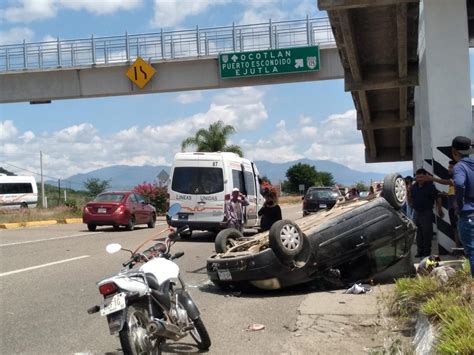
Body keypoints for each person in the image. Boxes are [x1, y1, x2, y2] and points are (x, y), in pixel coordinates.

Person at [451, 136, 474, 277]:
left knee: (472, 251)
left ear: (454, 151)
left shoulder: (460, 166)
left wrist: (459, 204)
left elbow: (459, 184)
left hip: (468, 215)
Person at [411, 168, 444, 258]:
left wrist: (439, 209)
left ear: (425, 177)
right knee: (418, 234)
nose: (419, 179)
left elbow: (438, 198)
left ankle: (426, 253)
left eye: (421, 177)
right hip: (417, 213)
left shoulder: (430, 186)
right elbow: (411, 198)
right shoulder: (413, 187)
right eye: (418, 177)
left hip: (427, 213)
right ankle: (419, 251)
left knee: (427, 233)